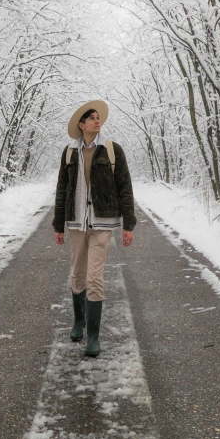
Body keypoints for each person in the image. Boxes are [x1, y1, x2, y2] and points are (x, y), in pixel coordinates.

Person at [53, 100, 136, 357]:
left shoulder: (112, 150)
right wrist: (58, 225)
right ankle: (79, 320)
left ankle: (93, 337)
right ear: (81, 124)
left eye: (98, 117)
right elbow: (61, 191)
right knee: (78, 275)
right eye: (91, 117)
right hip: (77, 222)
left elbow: (125, 187)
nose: (96, 120)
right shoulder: (69, 153)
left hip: (103, 223)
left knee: (94, 277)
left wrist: (128, 224)